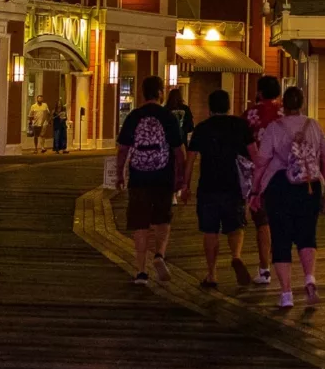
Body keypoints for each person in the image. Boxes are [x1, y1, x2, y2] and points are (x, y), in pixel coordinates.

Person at [249, 86, 325, 309]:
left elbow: (261, 162)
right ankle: (310, 279)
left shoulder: (275, 128)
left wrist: (255, 191)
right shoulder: (314, 125)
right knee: (307, 236)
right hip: (310, 186)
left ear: (283, 105)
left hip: (279, 186)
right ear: (302, 104)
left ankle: (286, 294)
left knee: (281, 239)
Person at [115, 75, 187, 286]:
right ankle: (159, 255)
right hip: (163, 177)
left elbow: (122, 149)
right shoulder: (168, 117)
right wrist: (181, 176)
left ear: (142, 93)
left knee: (140, 224)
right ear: (160, 93)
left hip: (138, 177)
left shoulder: (134, 116)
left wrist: (120, 174)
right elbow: (179, 150)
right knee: (162, 220)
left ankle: (140, 271)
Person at [185, 89, 255, 288]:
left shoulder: (202, 128)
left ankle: (212, 273)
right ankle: (236, 255)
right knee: (236, 226)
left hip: (208, 185)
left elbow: (190, 160)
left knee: (210, 231)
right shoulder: (240, 126)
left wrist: (185, 185)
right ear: (229, 105)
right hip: (234, 185)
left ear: (210, 107)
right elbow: (254, 154)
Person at [243, 75, 284, 286]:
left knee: (262, 222)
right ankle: (284, 265)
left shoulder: (251, 115)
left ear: (259, 92)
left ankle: (264, 268)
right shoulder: (286, 112)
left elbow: (242, 143)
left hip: (258, 174)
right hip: (286, 173)